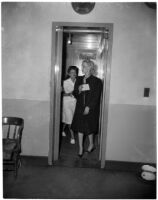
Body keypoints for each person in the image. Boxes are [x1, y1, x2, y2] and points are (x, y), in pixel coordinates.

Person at [71, 59, 102, 157]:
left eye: (84, 66)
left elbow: (96, 96)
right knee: (80, 127)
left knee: (89, 127)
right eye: (82, 66)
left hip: (91, 108)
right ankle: (80, 148)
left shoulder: (97, 81)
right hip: (80, 107)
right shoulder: (79, 79)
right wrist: (78, 90)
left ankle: (91, 144)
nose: (82, 68)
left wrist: (89, 107)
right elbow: (75, 93)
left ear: (90, 67)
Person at [62, 66, 79, 144]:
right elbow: (65, 93)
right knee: (70, 120)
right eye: (72, 72)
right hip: (67, 103)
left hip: (75, 102)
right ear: (68, 73)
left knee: (67, 119)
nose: (74, 74)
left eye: (75, 72)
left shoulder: (78, 81)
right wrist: (73, 92)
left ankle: (61, 130)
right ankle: (72, 137)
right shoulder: (65, 82)